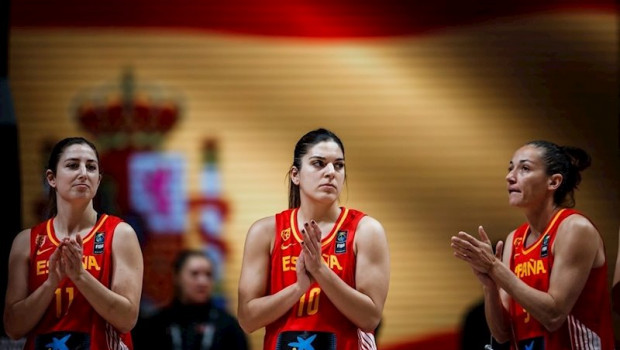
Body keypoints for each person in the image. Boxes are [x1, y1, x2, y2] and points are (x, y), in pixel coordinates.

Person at [450, 140, 615, 350]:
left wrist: (495, 268)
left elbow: (554, 315)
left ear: (553, 182)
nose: (510, 176)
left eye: (524, 168)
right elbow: (501, 334)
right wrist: (490, 284)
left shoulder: (574, 228)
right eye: (510, 168)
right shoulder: (514, 239)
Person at [237, 128, 390, 350]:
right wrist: (298, 288)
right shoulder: (265, 232)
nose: (331, 172)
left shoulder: (366, 230)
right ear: (295, 175)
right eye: (319, 163)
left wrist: (320, 270)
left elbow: (370, 318)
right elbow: (247, 320)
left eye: (339, 165)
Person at [3, 136, 143, 350]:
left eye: (91, 167)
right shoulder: (25, 242)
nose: (83, 173)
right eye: (72, 165)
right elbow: (13, 328)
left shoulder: (120, 234)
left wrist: (80, 276)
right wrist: (50, 283)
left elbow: (126, 319)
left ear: (98, 180)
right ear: (51, 178)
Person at [132, 249, 249, 350]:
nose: (202, 282)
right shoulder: (154, 325)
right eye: (194, 274)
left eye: (208, 275)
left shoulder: (228, 326)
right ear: (176, 276)